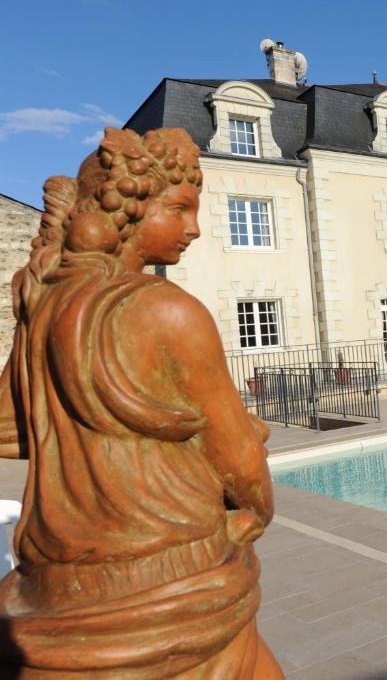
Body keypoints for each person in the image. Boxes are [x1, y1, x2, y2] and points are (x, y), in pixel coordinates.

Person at [0, 127, 284, 678]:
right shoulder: (168, 311)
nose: (194, 229)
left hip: (56, 593)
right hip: (174, 578)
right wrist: (255, 510)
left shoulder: (46, 308)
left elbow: (10, 427)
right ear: (127, 209)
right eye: (178, 209)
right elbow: (240, 460)